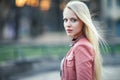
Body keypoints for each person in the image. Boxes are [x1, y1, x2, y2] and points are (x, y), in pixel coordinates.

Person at [61, 1, 107, 80]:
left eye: (73, 20)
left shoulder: (82, 47)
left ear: (83, 21)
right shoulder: (77, 44)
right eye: (65, 20)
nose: (68, 24)